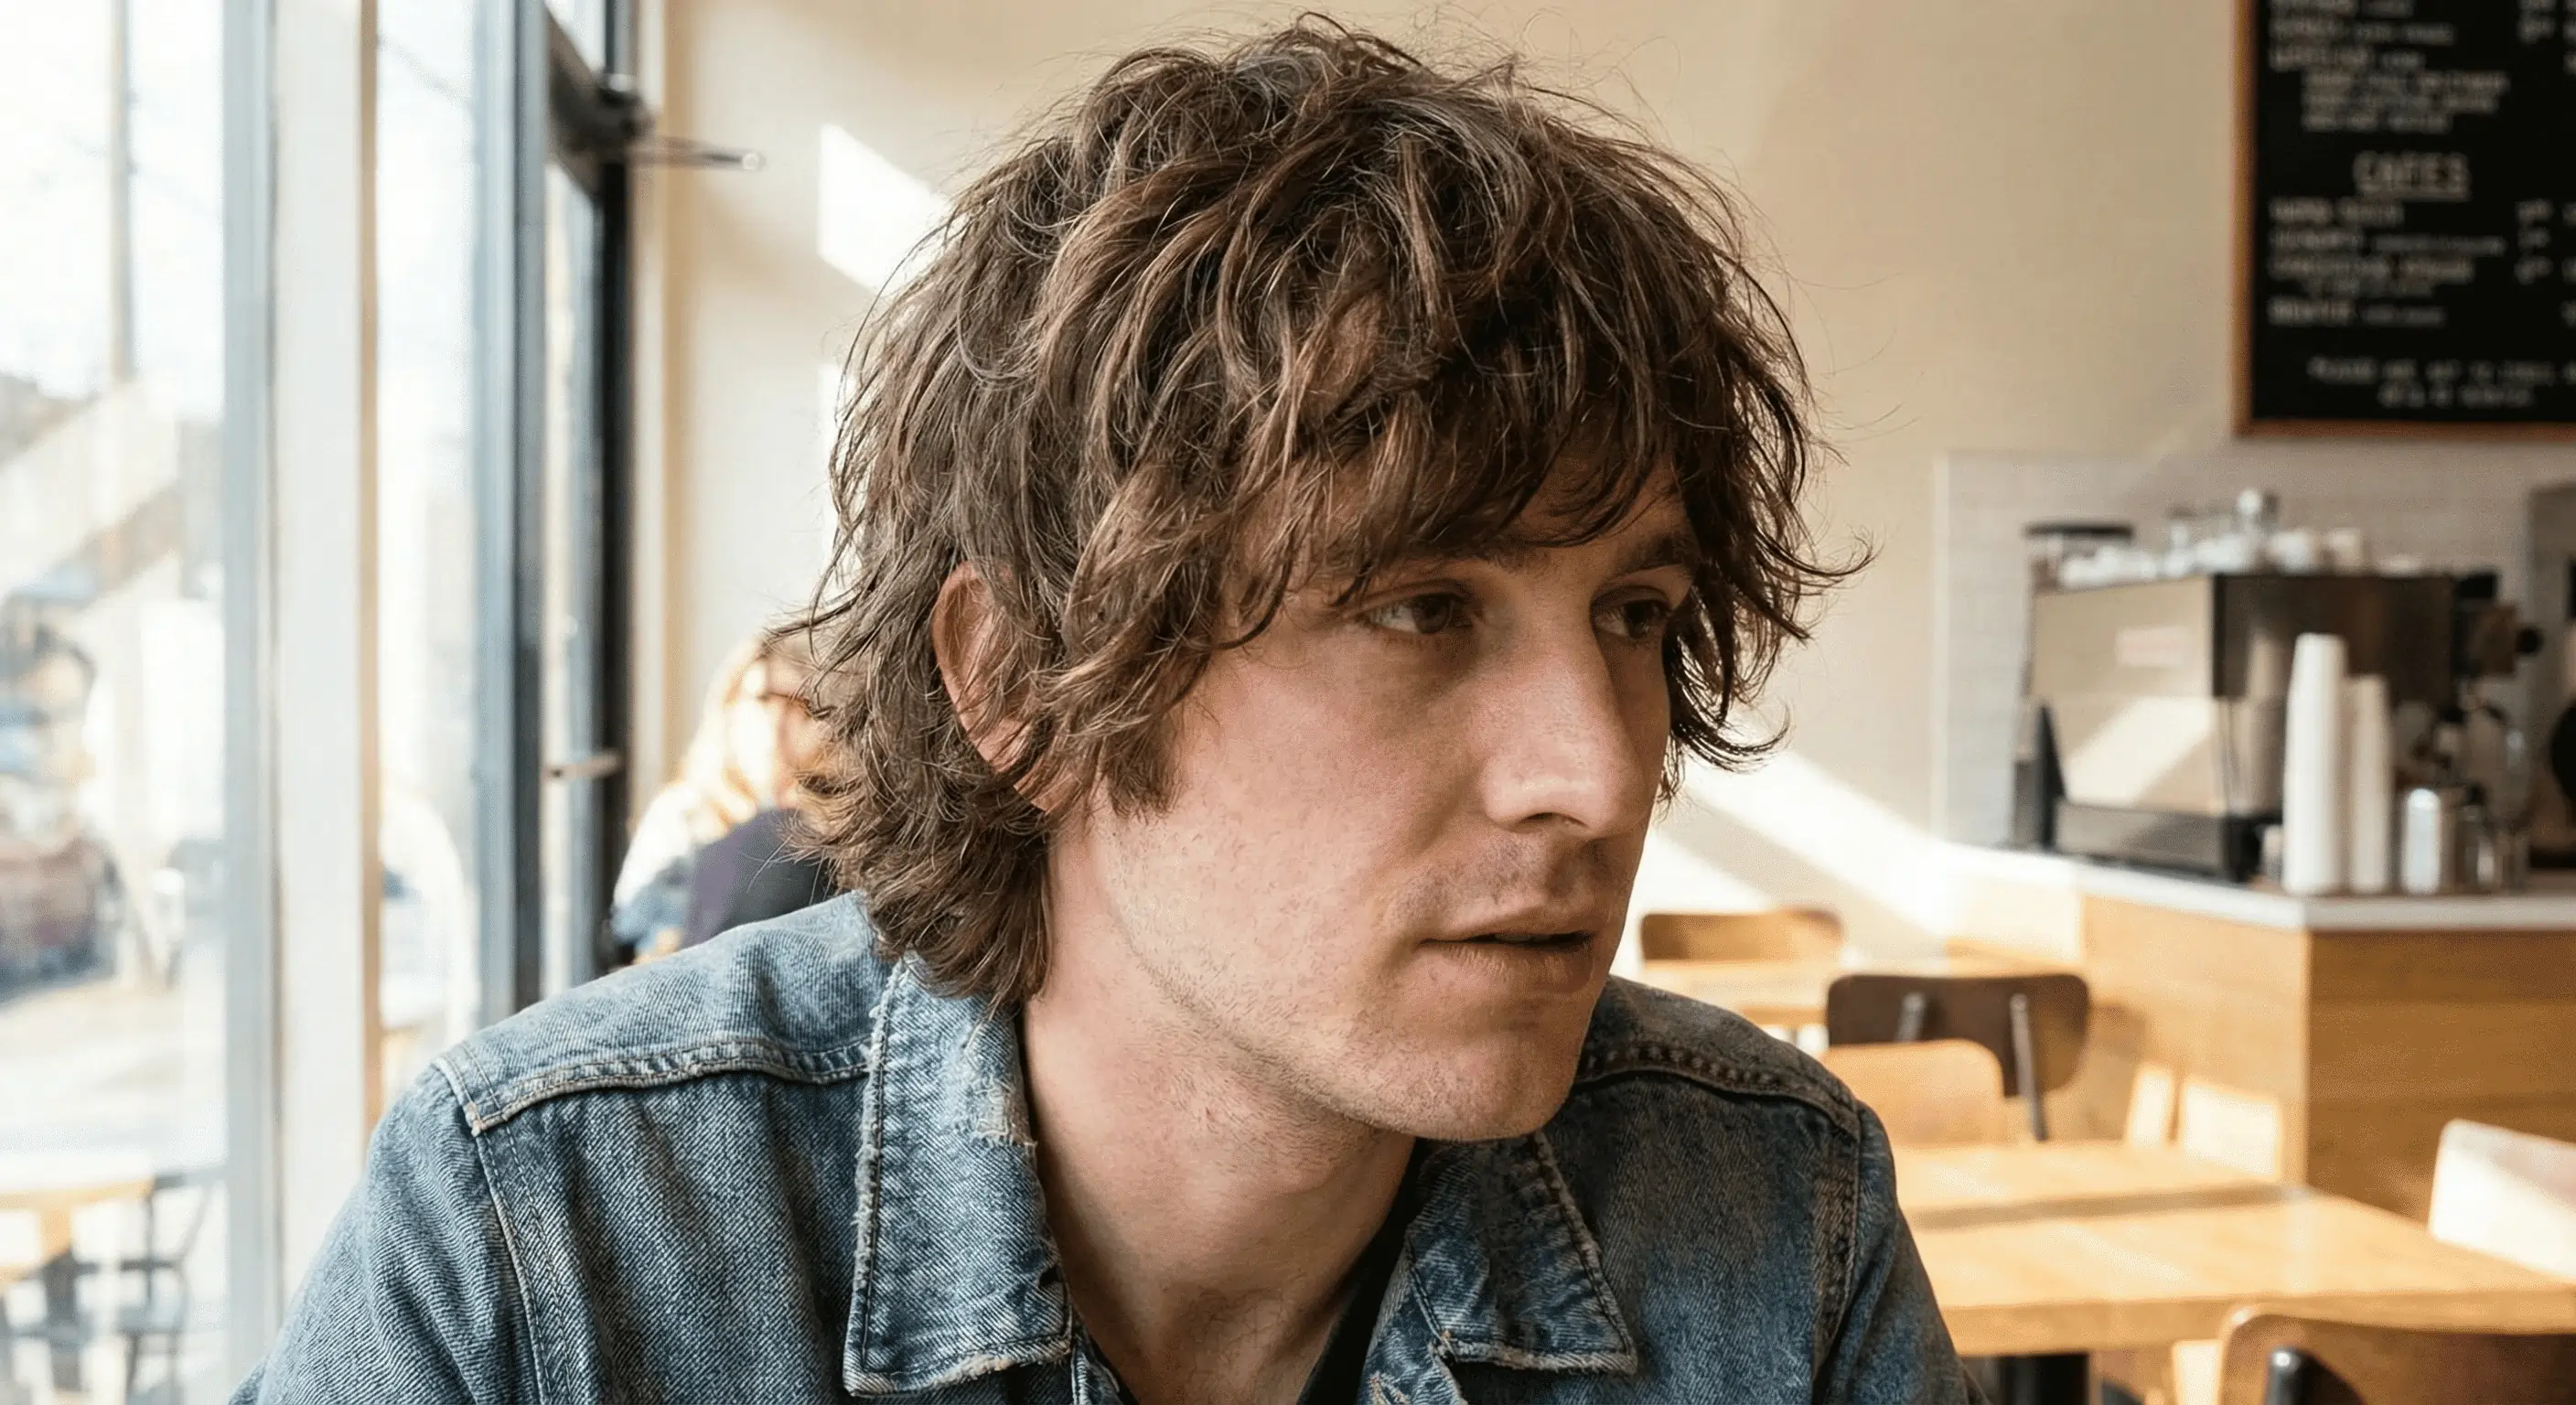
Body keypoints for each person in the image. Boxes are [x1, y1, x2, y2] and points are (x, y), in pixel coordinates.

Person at [237, 22, 1974, 1403]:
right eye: (1419, 607)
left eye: (1634, 615)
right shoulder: (551, 1245)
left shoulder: (1771, 1216)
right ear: (1018, 684)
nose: (1598, 770)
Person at [606, 625, 827, 960]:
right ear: (728, 707)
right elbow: (634, 943)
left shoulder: (817, 819)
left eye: (806, 709)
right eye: (763, 700)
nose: (777, 723)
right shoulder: (684, 814)